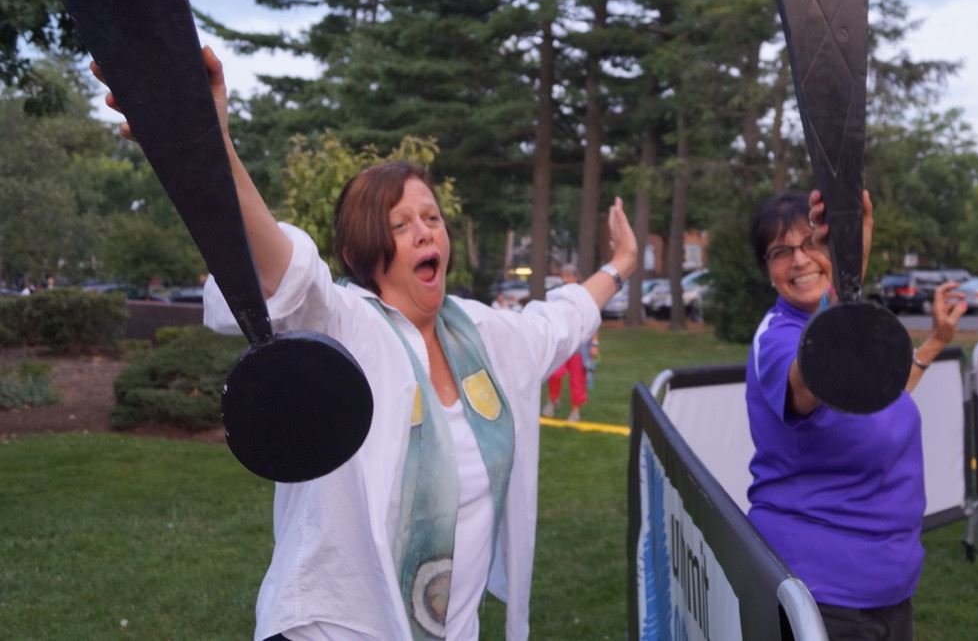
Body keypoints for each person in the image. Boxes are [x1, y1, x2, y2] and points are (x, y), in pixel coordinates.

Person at [93, 47, 639, 641]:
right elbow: (283, 275)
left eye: (431, 217)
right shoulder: (344, 325)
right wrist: (213, 144)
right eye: (400, 225)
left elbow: (560, 320)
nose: (425, 230)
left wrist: (622, 264)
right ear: (360, 254)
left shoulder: (486, 336)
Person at [744, 189, 966, 641]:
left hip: (888, 581)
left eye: (812, 244)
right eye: (781, 252)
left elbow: (876, 396)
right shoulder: (777, 339)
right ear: (768, 271)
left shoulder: (846, 323)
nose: (801, 260)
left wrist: (935, 342)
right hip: (821, 591)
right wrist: (849, 268)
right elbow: (810, 384)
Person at [542, 264, 592, 422]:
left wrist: (595, 344)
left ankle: (575, 411)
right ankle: (553, 400)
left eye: (569, 276)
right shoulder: (557, 294)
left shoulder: (584, 295)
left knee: (577, 378)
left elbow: (592, 318)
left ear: (576, 277)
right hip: (561, 342)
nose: (566, 279)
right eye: (564, 276)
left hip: (578, 344)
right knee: (554, 374)